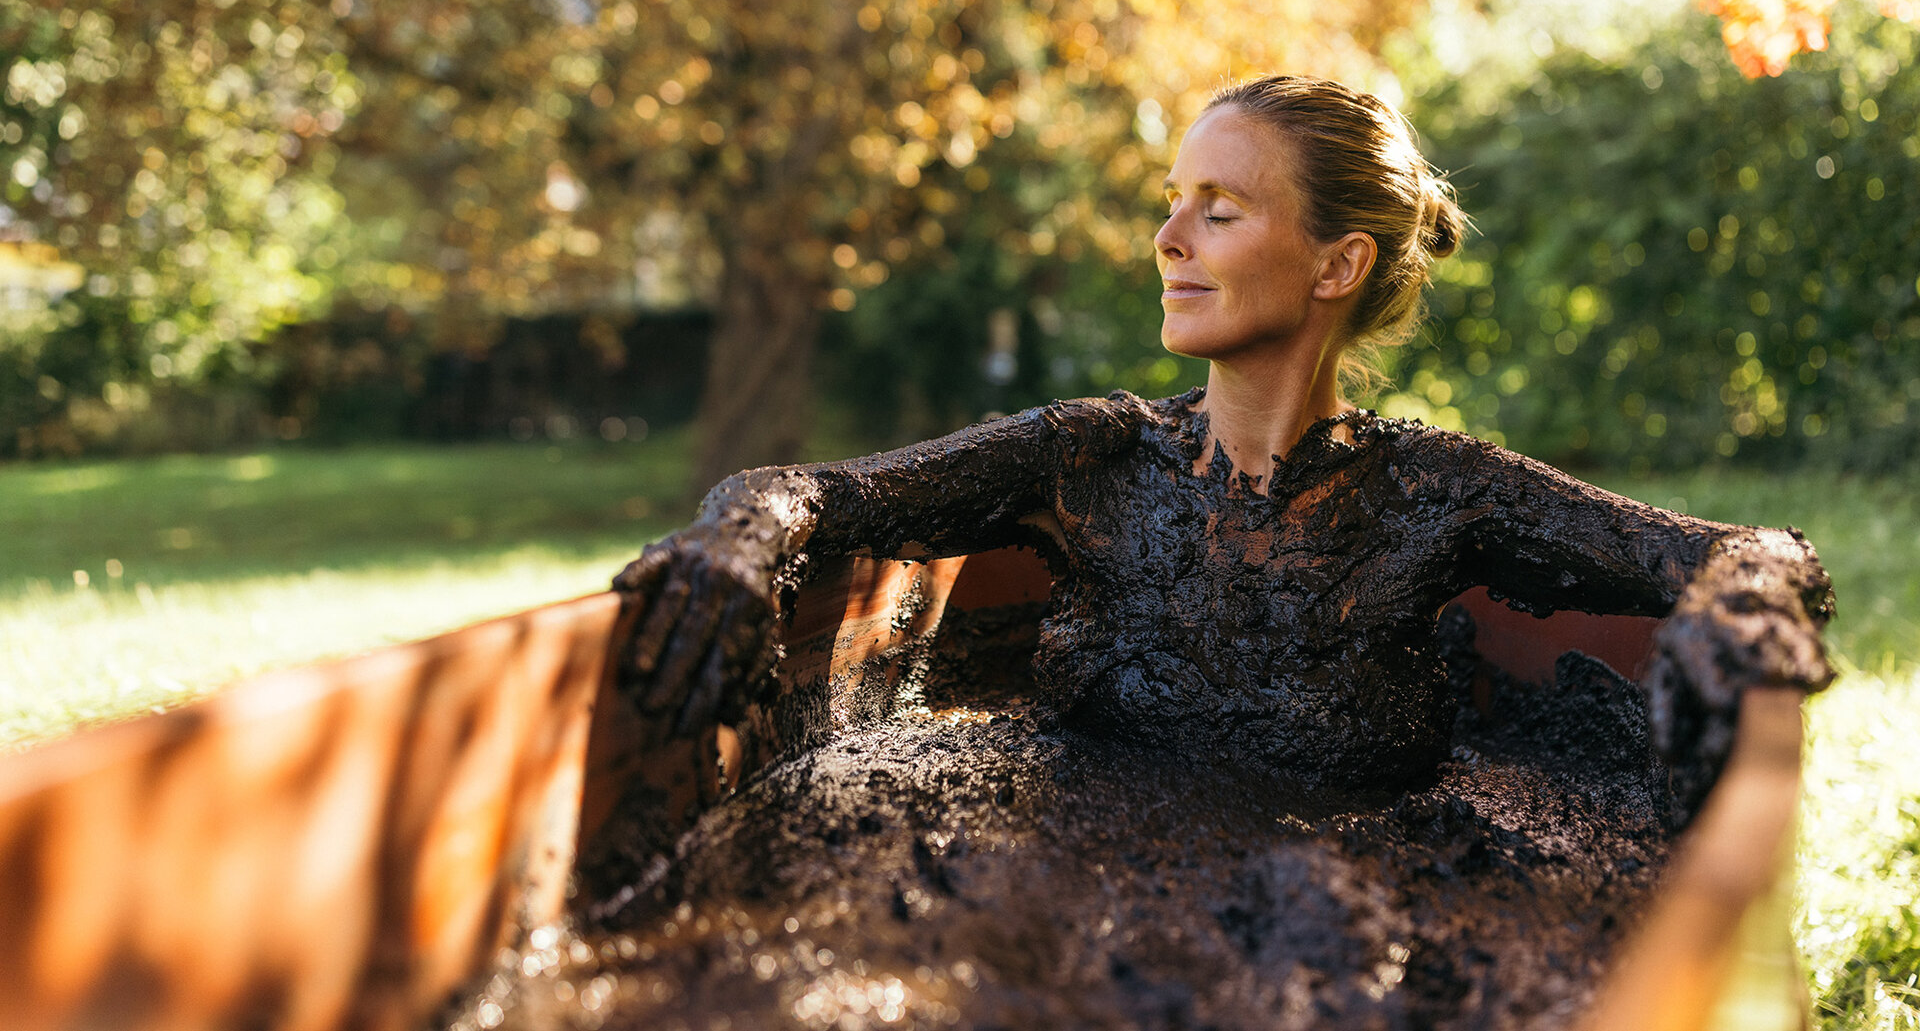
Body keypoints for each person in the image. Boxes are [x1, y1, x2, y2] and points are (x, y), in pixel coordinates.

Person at [580, 74, 1836, 1028]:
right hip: (1051, 900)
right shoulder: (1090, 458)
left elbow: (1756, 550)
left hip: (1345, 923)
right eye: (1172, 207)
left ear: (1337, 262)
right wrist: (741, 537)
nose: (1168, 239)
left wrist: (1745, 609)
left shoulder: (1442, 494)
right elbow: (812, 491)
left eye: (1218, 210)